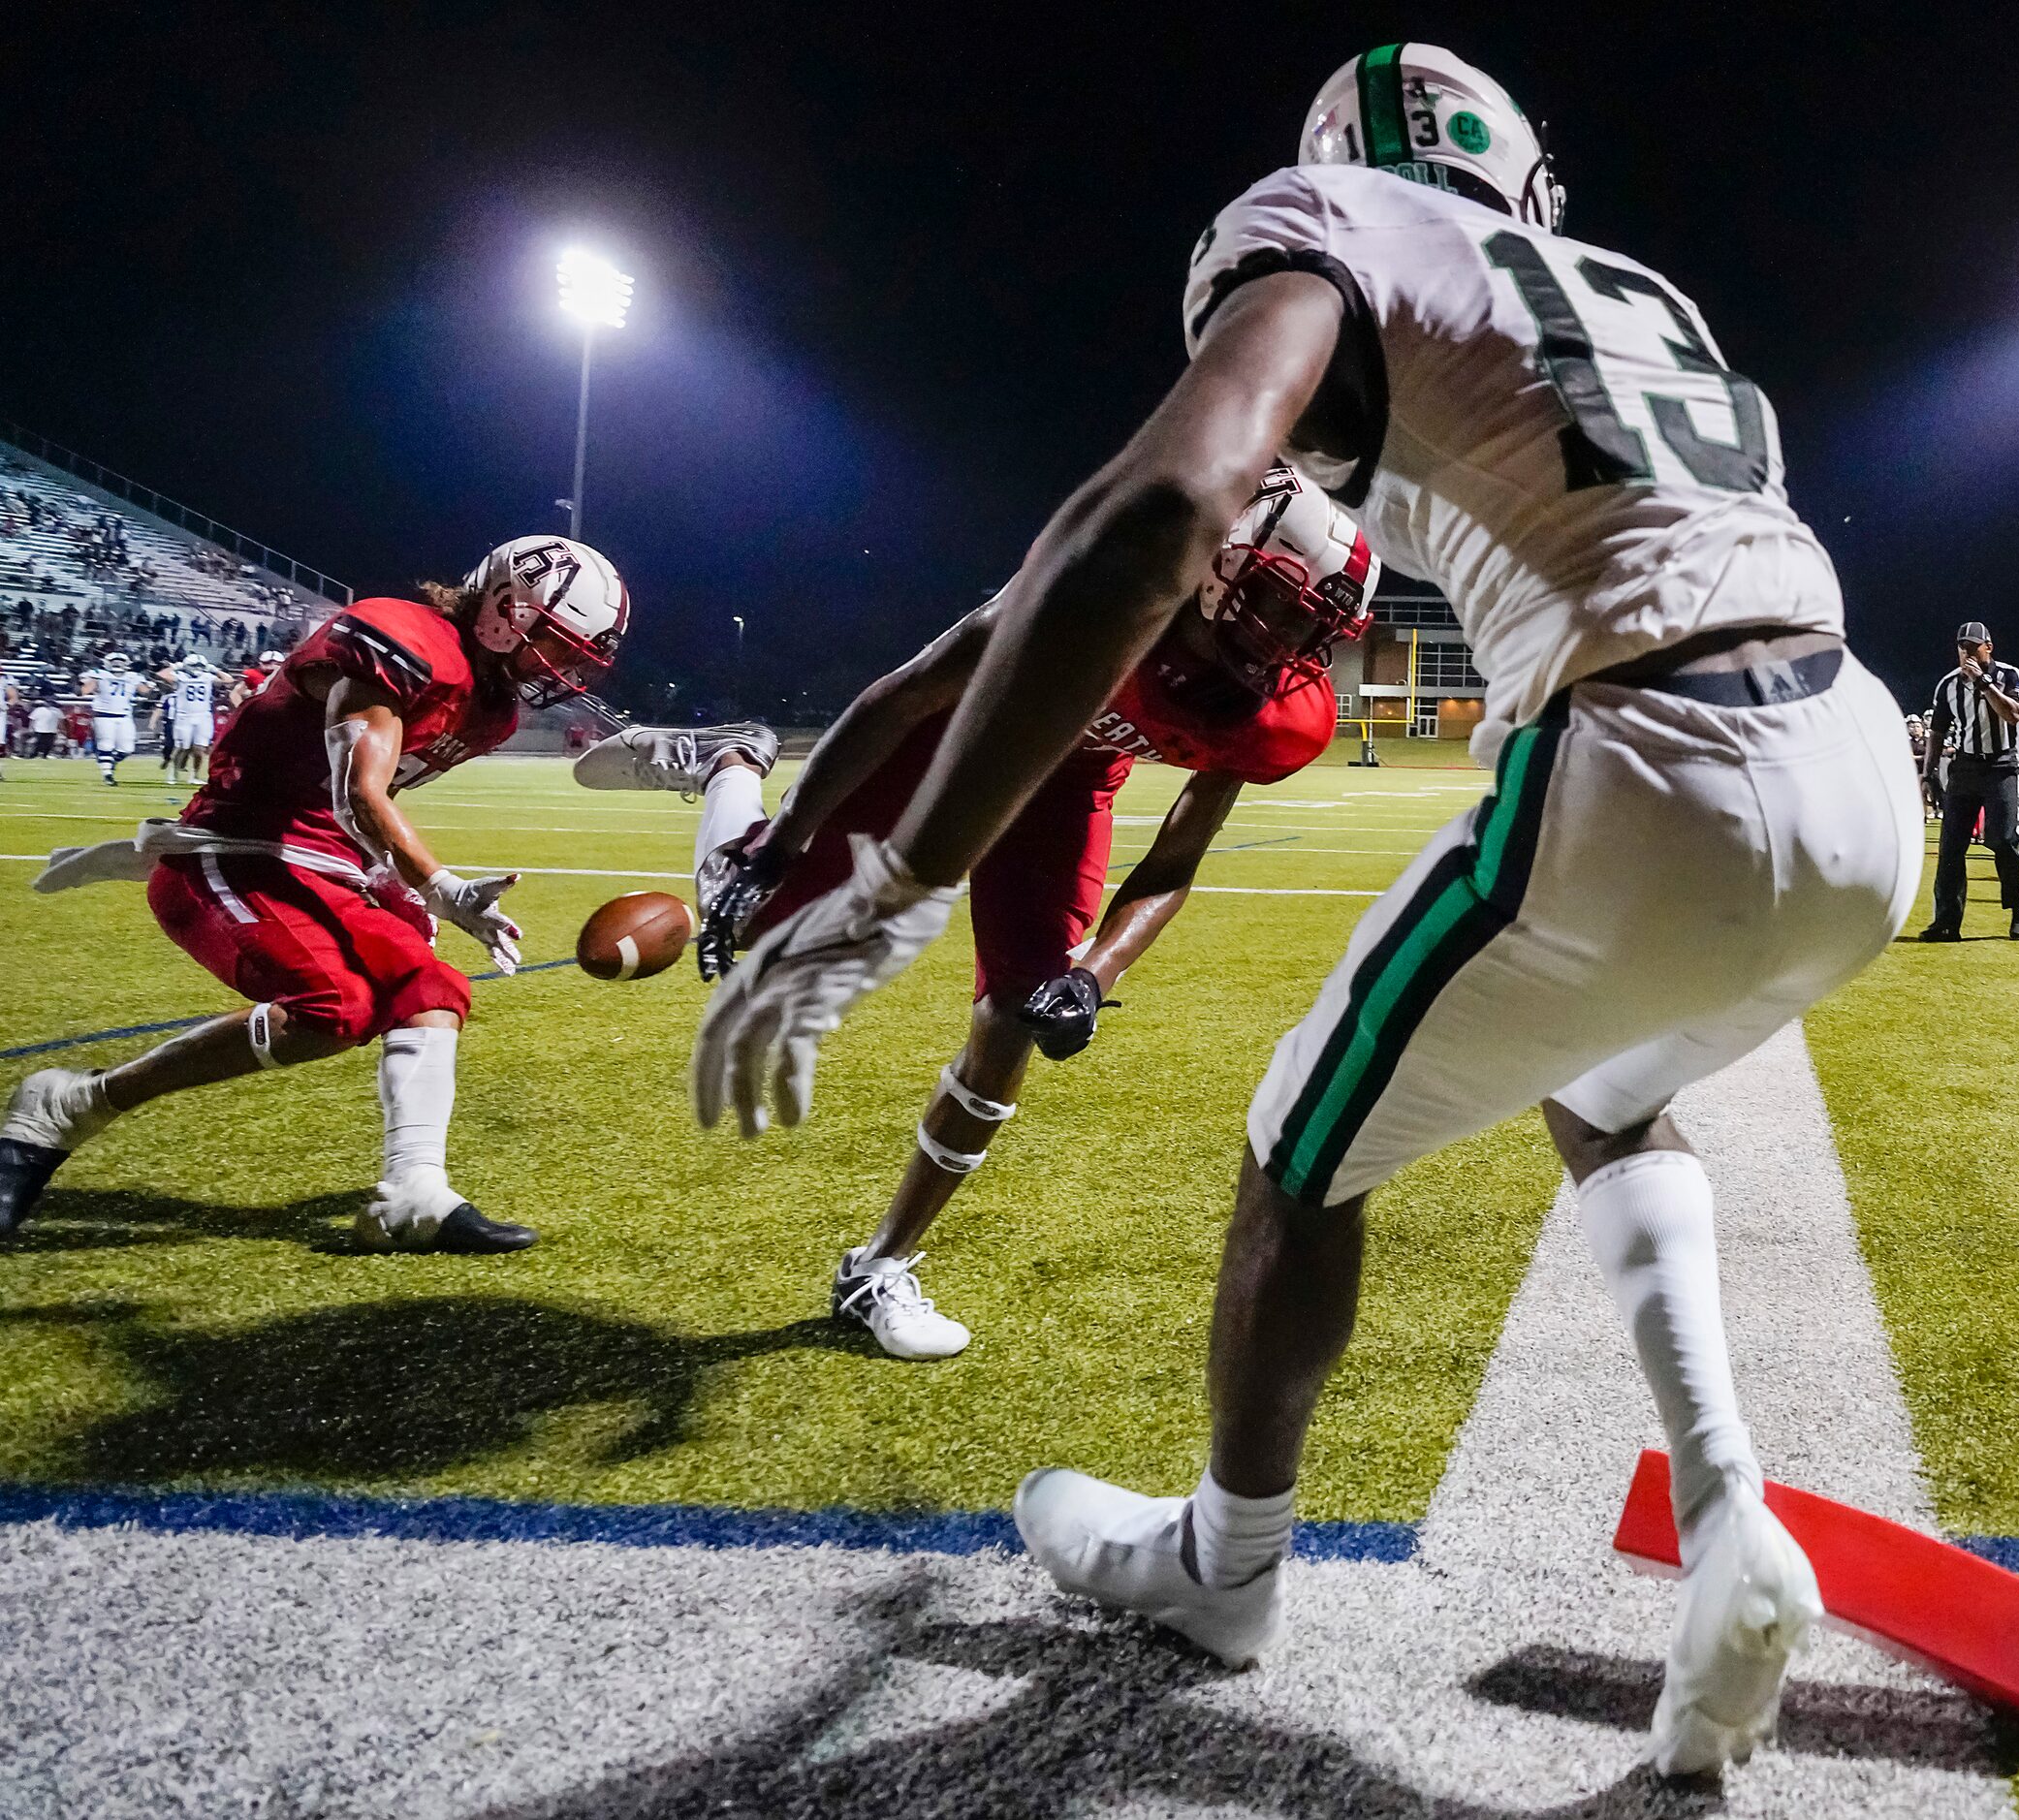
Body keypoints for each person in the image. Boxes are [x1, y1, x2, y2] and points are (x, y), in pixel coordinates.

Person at [691, 42, 1923, 1778]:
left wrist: (905, 875)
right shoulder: (1635, 289)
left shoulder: (1336, 219)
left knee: (1296, 1149)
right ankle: (1731, 1512)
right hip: (1862, 768)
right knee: (1609, 1087)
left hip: (1647, 748)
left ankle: (1223, 1565)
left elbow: (1167, 499)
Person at [585, 467, 1375, 1359]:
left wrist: (1092, 974)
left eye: (1316, 625)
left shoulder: (1281, 710)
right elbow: (907, 692)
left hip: (1067, 782)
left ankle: (879, 1265)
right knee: (759, 932)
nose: (1289, 643)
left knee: (1015, 1018)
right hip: (950, 732)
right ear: (1217, 565)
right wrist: (788, 845)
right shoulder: (1093, 588)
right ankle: (733, 768)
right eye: (1280, 606)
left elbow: (1175, 860)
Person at [0, 537, 633, 1248]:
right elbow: (358, 788)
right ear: (503, 610)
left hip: (326, 864)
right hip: (237, 850)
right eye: (556, 643)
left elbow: (366, 803)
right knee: (333, 1010)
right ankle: (74, 1104)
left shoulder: (493, 710)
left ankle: (412, 1193)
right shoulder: (403, 635)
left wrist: (390, 880)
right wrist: (440, 886)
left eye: (579, 655)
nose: (567, 668)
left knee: (430, 990)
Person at [1922, 621, 2019, 939]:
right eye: (1962, 646)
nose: (1966, 652)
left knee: (2002, 839)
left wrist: (1983, 682)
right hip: (1965, 767)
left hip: (2001, 765)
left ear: (1989, 646)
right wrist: (1929, 773)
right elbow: (1937, 731)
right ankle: (1946, 921)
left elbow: (2014, 714)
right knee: (1950, 847)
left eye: (1973, 646)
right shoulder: (1947, 684)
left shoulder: (2009, 675)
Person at [78, 649, 149, 785]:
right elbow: (84, 691)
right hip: (103, 715)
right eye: (114, 662)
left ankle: (109, 763)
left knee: (127, 748)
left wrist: (151, 686)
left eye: (120, 662)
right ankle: (107, 774)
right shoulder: (99, 674)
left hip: (124, 716)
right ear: (107, 663)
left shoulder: (133, 676)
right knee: (106, 744)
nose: (117, 664)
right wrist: (86, 685)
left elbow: (145, 692)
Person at [157, 652, 221, 786]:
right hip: (184, 716)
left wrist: (215, 669)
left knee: (200, 749)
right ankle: (173, 772)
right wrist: (175, 667)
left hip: (203, 716)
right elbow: (162, 675)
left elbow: (228, 680)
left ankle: (195, 775)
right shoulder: (180, 676)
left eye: (200, 666)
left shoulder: (207, 676)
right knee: (182, 747)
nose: (197, 669)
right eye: (194, 666)